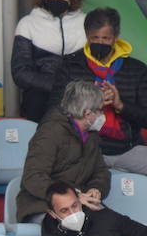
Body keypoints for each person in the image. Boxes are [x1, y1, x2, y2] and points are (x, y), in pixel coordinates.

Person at [55, 7, 147, 190]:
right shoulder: (70, 65)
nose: (100, 43)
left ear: (116, 37)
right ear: (86, 35)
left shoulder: (136, 69)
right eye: (95, 38)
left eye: (105, 38)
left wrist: (120, 105)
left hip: (126, 148)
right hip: (83, 148)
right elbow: (54, 110)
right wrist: (88, 106)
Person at [14, 81, 110, 224]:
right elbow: (34, 177)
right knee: (76, 228)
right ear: (88, 113)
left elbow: (101, 171)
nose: (102, 115)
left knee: (108, 225)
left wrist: (96, 188)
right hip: (42, 206)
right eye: (100, 110)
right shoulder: (50, 133)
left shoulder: (92, 136)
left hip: (79, 205)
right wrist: (73, 197)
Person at [11, 0, 88, 122]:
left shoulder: (87, 23)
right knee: (35, 99)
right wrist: (56, 85)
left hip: (79, 95)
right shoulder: (27, 24)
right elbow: (20, 73)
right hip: (41, 97)